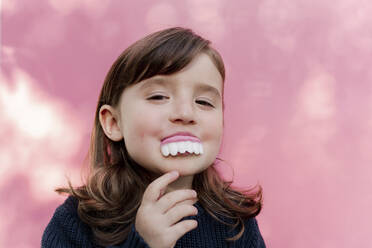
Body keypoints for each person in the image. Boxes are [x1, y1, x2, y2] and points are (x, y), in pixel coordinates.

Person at [41, 27, 266, 248]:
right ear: (113, 123)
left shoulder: (236, 224)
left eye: (204, 102)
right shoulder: (75, 222)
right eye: (159, 97)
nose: (186, 114)